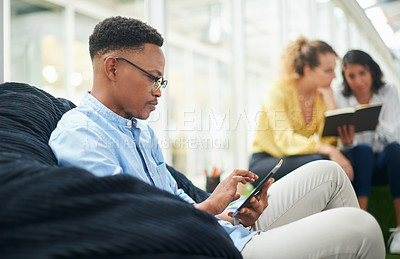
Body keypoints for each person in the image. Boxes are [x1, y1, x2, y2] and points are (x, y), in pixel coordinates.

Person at [49, 16, 385, 258]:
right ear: (112, 68)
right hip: (211, 246)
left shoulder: (141, 132)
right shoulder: (81, 134)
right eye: (154, 78)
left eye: (161, 81)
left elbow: (174, 198)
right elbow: (127, 220)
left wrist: (230, 210)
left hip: (219, 227)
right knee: (363, 228)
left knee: (330, 174)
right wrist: (209, 207)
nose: (158, 91)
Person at [249, 36, 354, 183]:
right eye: (328, 71)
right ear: (308, 71)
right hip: (266, 161)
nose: (335, 76)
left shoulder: (322, 95)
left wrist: (331, 108)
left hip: (297, 158)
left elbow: (328, 144)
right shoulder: (278, 89)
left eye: (334, 69)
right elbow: (284, 140)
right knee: (320, 161)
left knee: (343, 158)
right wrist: (329, 150)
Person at [334, 49, 400, 254]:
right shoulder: (339, 95)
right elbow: (341, 143)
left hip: (385, 160)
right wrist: (346, 143)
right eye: (351, 75)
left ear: (371, 70)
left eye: (362, 73)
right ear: (345, 77)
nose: (358, 80)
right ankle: (360, 229)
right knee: (361, 150)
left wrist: (376, 122)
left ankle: (399, 229)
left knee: (395, 150)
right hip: (359, 161)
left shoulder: (389, 91)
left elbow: (395, 136)